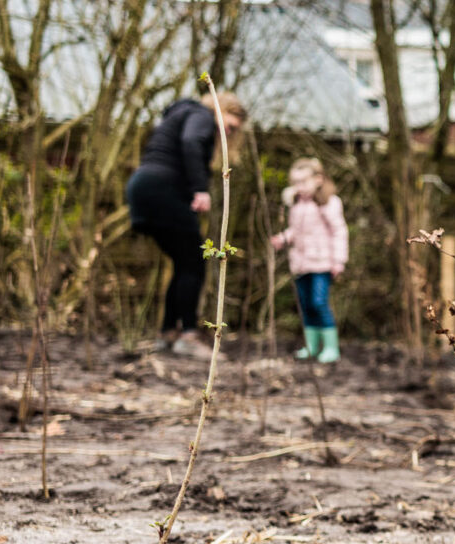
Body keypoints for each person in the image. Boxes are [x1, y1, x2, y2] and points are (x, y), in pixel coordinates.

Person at [125, 91, 247, 357]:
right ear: (221, 109)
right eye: (230, 125)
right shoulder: (201, 115)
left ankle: (168, 332)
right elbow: (191, 141)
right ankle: (188, 336)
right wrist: (200, 189)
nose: (228, 132)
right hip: (161, 189)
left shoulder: (181, 114)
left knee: (183, 262)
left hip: (142, 189)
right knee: (194, 260)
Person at [270, 158, 349, 363]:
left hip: (322, 263)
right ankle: (312, 346)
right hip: (301, 263)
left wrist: (338, 261)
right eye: (295, 183)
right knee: (305, 304)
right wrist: (284, 238)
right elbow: (297, 231)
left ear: (318, 180)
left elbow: (339, 231)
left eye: (303, 182)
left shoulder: (328, 203)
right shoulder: (297, 204)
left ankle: (331, 348)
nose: (299, 187)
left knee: (319, 302)